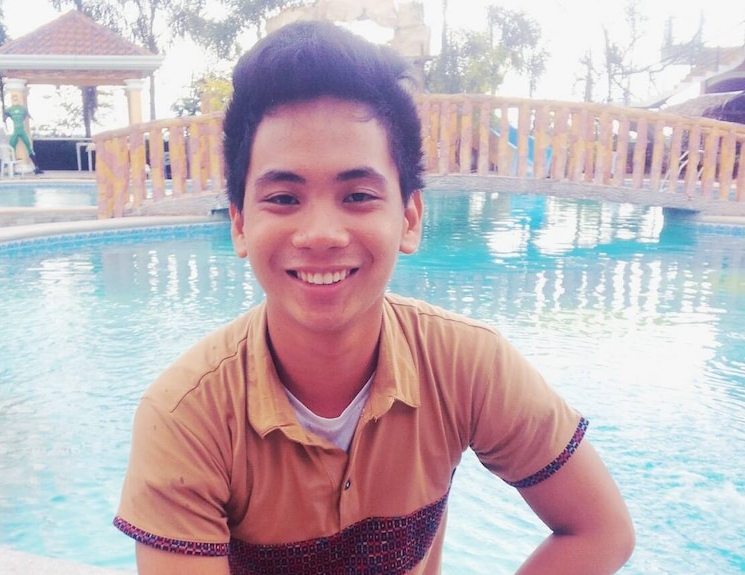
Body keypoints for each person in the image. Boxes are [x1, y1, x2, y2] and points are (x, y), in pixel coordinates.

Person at [114, 20, 635, 575]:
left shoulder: (465, 366)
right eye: (284, 197)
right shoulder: (186, 417)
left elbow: (601, 531)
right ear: (239, 224)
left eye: (358, 195)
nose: (321, 234)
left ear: (408, 218)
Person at [4, 92, 42, 174]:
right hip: (16, 131)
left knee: (29, 148)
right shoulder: (9, 110)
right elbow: (5, 117)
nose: (15, 100)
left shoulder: (22, 109)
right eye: (13, 98)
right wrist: (6, 124)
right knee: (11, 148)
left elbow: (28, 116)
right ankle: (9, 169)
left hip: (22, 130)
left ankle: (37, 167)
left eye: (16, 98)